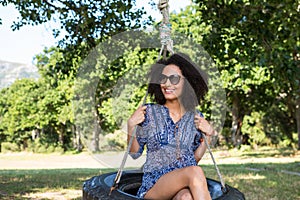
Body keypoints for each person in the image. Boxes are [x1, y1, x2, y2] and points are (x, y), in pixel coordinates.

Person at [127, 52, 215, 200]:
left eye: (174, 79)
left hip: (182, 185)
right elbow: (134, 153)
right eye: (163, 78)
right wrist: (130, 126)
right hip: (154, 187)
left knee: (186, 197)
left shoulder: (195, 117)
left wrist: (209, 135)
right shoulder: (149, 112)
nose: (167, 84)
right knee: (195, 172)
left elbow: (192, 159)